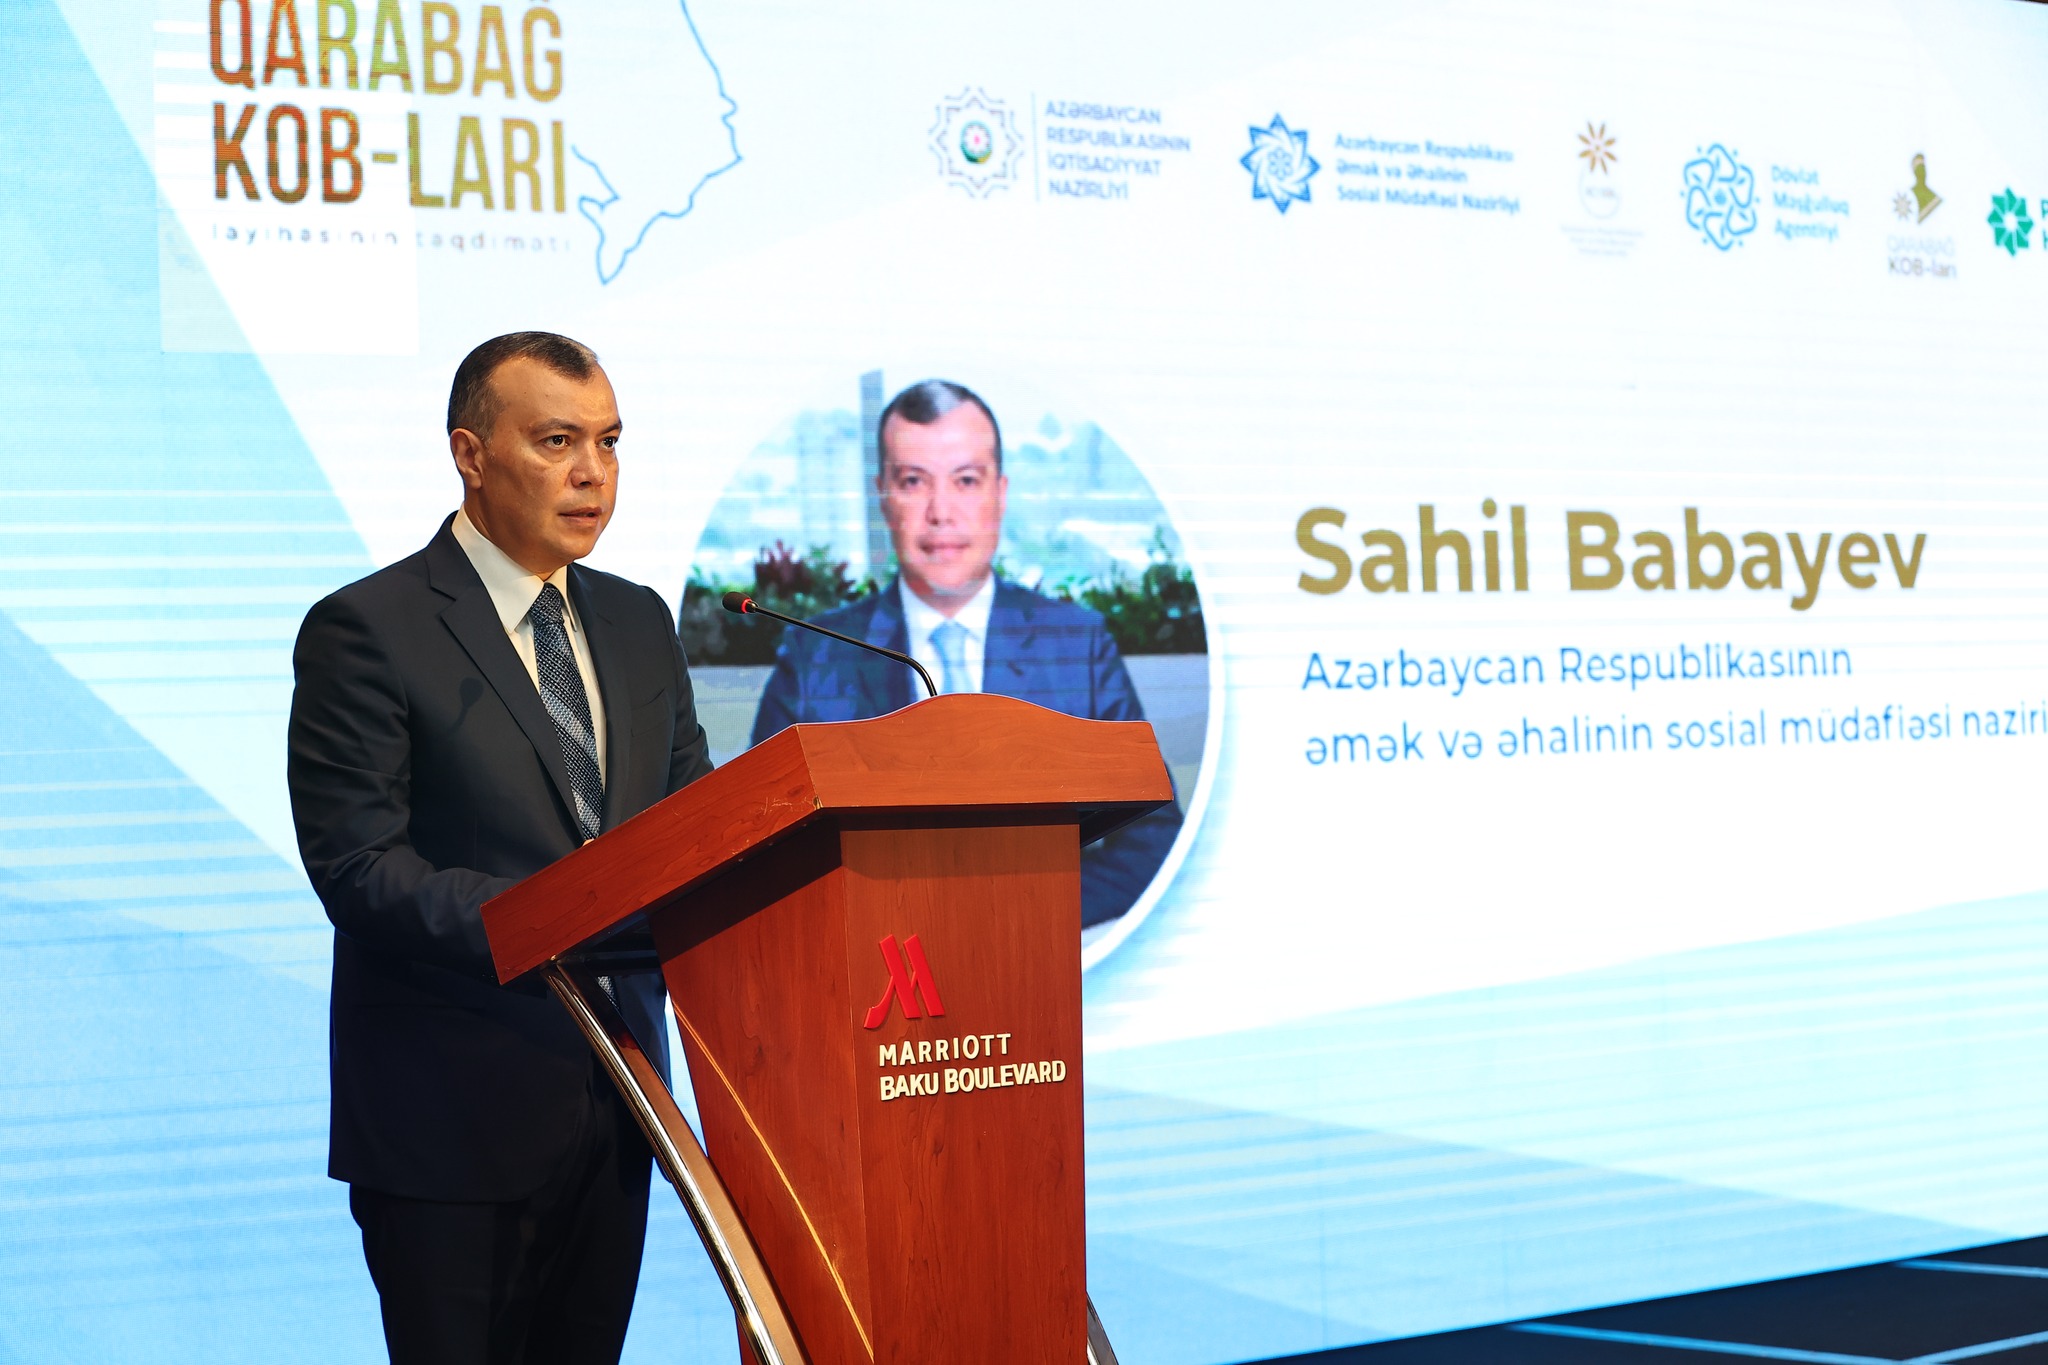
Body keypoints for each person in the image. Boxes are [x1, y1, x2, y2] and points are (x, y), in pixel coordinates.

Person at [287, 332, 712, 1364]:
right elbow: (358, 866)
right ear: (470, 456)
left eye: (609, 442)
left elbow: (696, 829)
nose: (592, 472)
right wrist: (559, 920)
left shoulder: (639, 622)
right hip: (449, 1122)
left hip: (620, 1101)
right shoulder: (369, 628)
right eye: (557, 441)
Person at [748, 379, 1180, 928]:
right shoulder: (816, 654)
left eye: (966, 480)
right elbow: (760, 845)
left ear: (1000, 492)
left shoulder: (1076, 643)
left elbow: (1151, 834)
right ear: (883, 497)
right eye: (913, 481)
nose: (941, 512)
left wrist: (1014, 918)